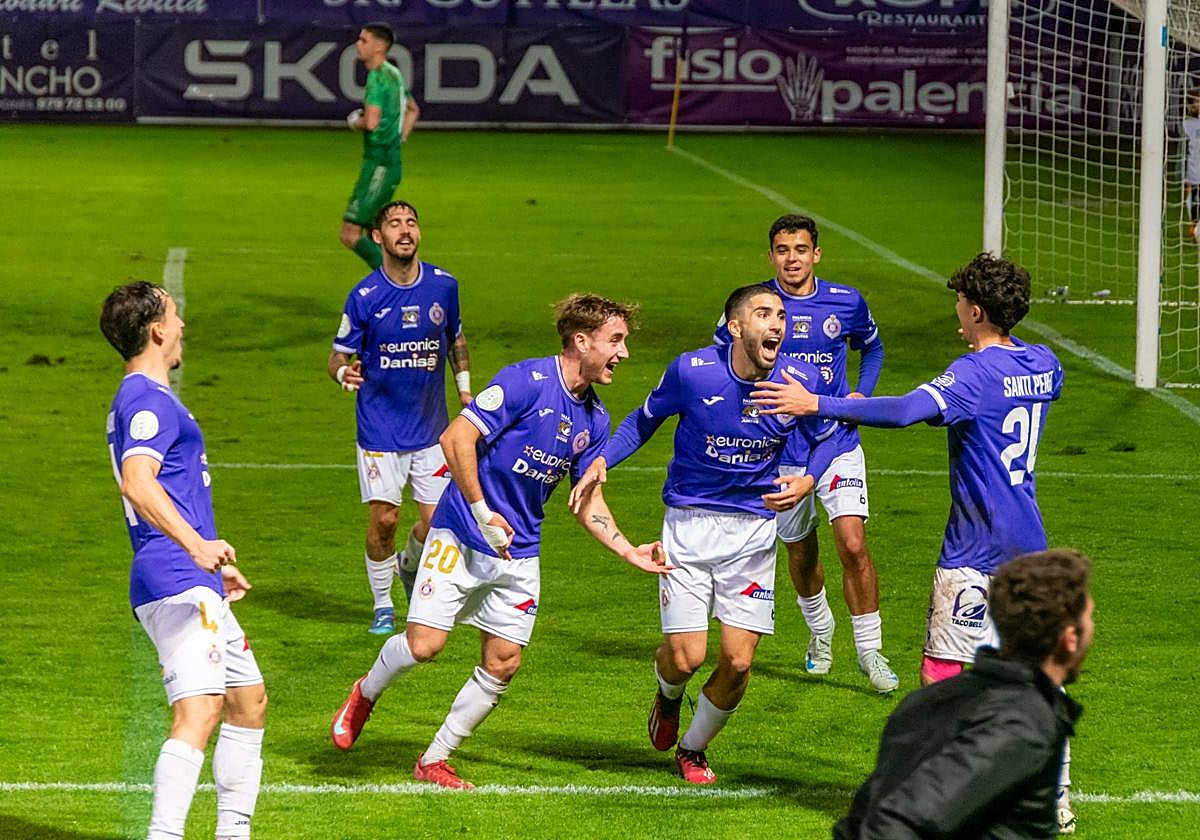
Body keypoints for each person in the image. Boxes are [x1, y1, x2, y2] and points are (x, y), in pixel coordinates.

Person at [753, 253, 1078, 831]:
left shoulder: (974, 375)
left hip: (975, 551)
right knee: (1035, 670)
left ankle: (950, 792)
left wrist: (818, 404)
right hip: (1032, 545)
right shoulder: (1045, 363)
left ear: (975, 311)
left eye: (959, 301)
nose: (955, 309)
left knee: (941, 676)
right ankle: (1055, 792)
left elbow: (906, 411)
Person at [329, 294, 671, 788]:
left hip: (519, 553)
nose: (624, 353)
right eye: (615, 341)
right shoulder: (524, 381)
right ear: (582, 341)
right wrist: (481, 510)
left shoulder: (594, 420)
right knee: (426, 646)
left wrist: (626, 547)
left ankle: (433, 760)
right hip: (462, 534)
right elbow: (455, 439)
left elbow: (587, 499)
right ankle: (365, 692)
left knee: (504, 661)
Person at [570, 284, 841, 784]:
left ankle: (693, 749)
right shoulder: (693, 372)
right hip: (690, 524)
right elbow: (643, 421)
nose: (777, 323)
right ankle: (668, 695)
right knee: (686, 657)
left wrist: (807, 478)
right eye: (764, 314)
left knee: (738, 662)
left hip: (754, 532)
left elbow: (832, 434)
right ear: (736, 327)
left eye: (781, 315)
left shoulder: (796, 381)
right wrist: (602, 460)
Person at [101, 282, 267, 840]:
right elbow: (138, 484)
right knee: (198, 713)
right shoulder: (147, 400)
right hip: (175, 577)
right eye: (175, 314)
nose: (183, 325)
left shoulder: (146, 398)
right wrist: (197, 548)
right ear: (156, 330)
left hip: (194, 578)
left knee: (249, 702)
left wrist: (212, 561)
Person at [715, 214, 895, 692]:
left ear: (816, 254)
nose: (791, 258)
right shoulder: (755, 306)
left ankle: (870, 650)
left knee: (853, 542)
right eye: (782, 250)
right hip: (779, 448)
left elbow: (872, 349)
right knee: (799, 550)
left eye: (800, 249)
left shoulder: (845, 302)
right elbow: (724, 360)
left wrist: (862, 396)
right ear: (771, 255)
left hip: (836, 439)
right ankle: (820, 632)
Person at [832, 548, 1091, 840]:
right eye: (1089, 619)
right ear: (1069, 638)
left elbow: (865, 816)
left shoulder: (929, 701)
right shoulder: (1020, 722)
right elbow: (896, 821)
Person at [328, 200, 472, 635]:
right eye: (394, 224)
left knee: (435, 525)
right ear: (379, 237)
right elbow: (337, 355)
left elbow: (457, 338)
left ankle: (408, 568)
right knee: (385, 520)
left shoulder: (444, 286)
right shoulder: (365, 296)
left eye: (411, 223)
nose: (405, 230)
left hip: (431, 429)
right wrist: (342, 373)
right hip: (379, 431)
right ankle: (382, 603)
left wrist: (465, 390)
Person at [340, 24, 420, 269]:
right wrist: (400, 138)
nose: (358, 44)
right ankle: (395, 285)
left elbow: (371, 122)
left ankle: (398, 282)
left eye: (364, 40)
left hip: (379, 166)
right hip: (389, 162)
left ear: (379, 46)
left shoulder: (377, 78)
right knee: (375, 235)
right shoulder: (393, 74)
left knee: (350, 233)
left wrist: (355, 122)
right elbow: (413, 110)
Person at [1183, 86, 1200, 243]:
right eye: (1193, 102)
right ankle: (1195, 228)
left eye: (1197, 102)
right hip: (1193, 171)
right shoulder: (1188, 124)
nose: (1194, 105)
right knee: (1192, 200)